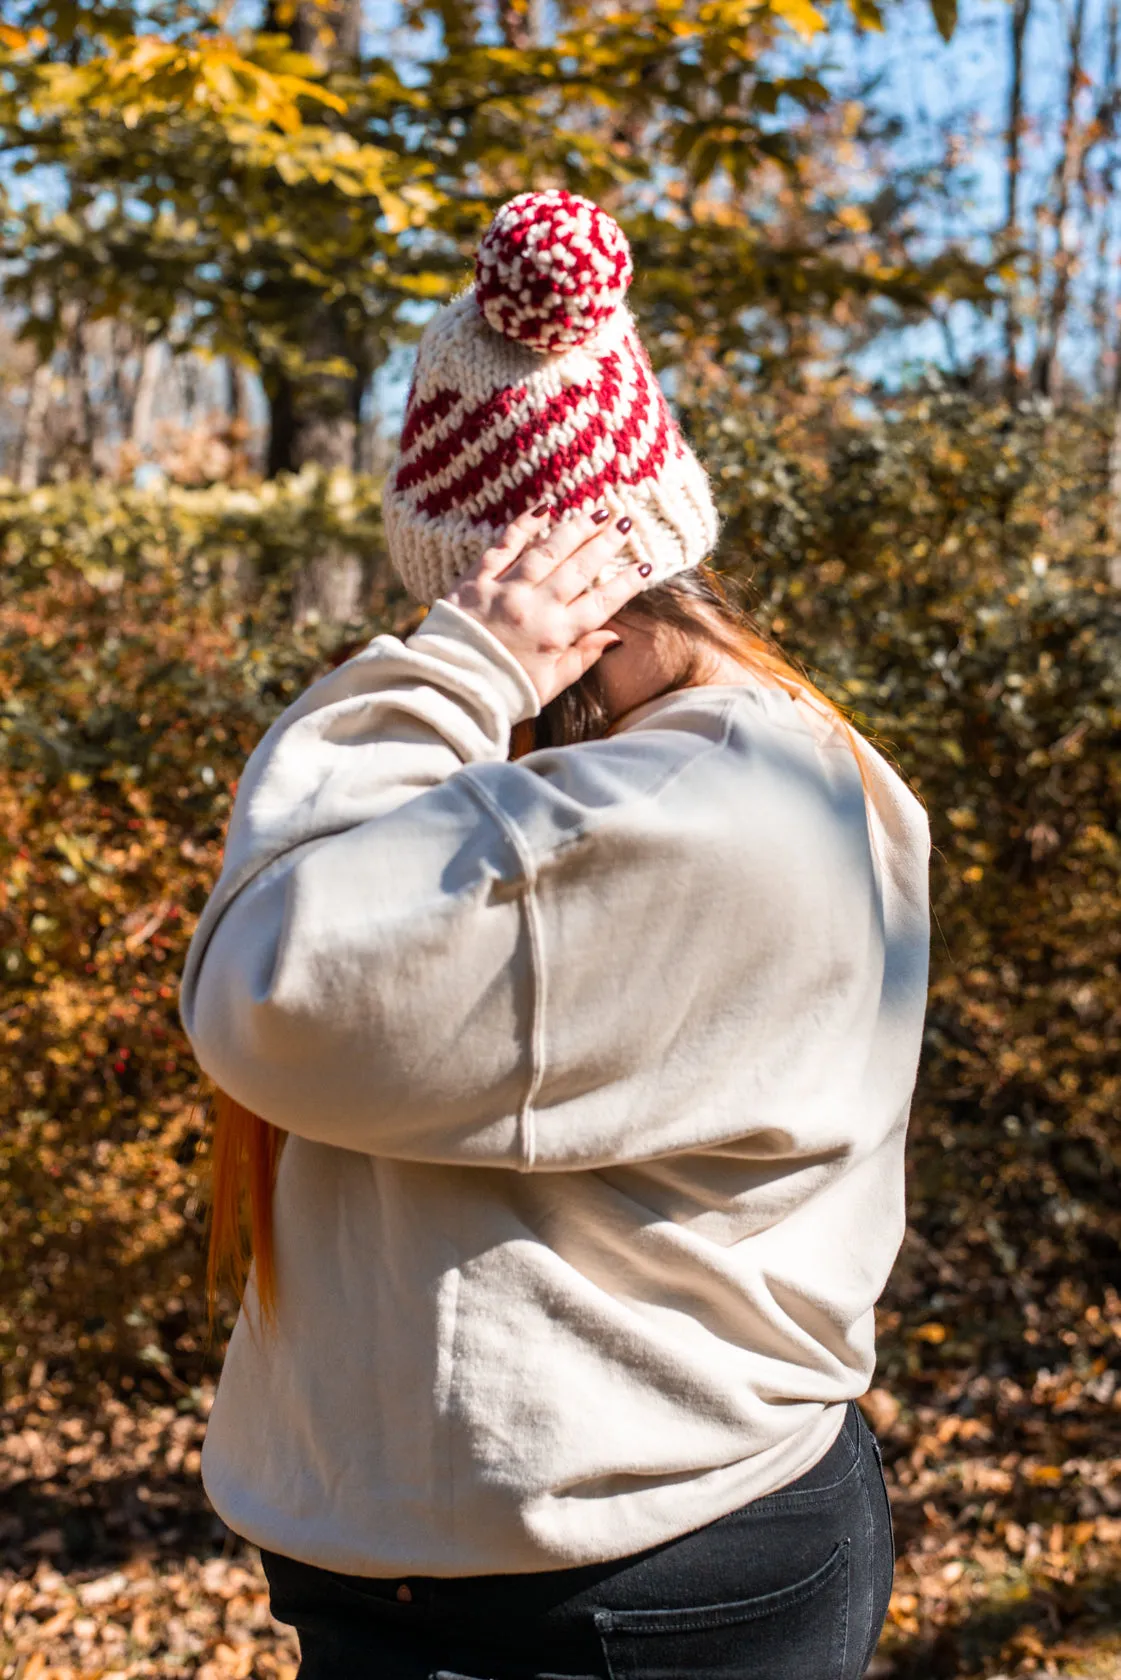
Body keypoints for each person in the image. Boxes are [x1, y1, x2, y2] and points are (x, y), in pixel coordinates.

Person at [179, 189, 930, 1680]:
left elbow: (271, 986)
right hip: (527, 1570)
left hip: (626, 1592)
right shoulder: (723, 774)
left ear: (553, 607)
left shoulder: (692, 808)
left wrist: (452, 665)